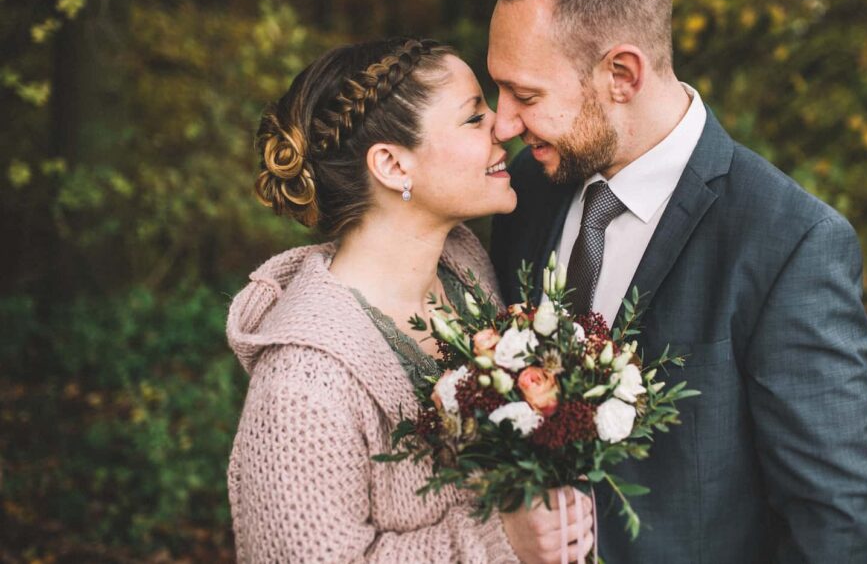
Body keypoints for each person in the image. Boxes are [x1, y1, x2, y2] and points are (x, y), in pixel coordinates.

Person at [488, 0, 867, 562]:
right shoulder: (528, 190)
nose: (503, 123)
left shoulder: (790, 242)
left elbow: (830, 521)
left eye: (526, 96)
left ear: (622, 75)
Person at [226, 38, 593, 563]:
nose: (504, 127)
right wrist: (496, 542)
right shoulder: (302, 386)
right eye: (474, 117)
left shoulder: (466, 267)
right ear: (393, 165)